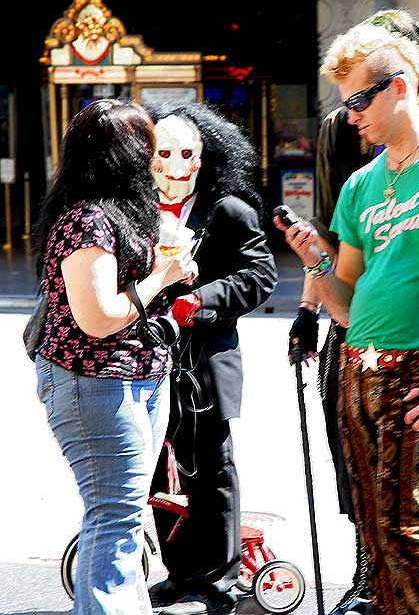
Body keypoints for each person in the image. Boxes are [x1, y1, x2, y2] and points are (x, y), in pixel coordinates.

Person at [275, 20, 419, 614]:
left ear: (400, 87)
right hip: (355, 368)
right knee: (375, 535)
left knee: (408, 531)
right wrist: (317, 265)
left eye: (359, 99)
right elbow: (347, 300)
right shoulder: (360, 184)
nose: (350, 116)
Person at [32, 99, 198, 615]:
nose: (156, 160)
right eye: (148, 147)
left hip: (135, 377)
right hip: (94, 382)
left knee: (117, 517)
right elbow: (98, 318)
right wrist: (162, 279)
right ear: (124, 155)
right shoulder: (87, 220)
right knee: (116, 517)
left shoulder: (118, 211)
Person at [147, 102, 277, 615]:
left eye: (188, 153)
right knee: (159, 473)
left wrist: (201, 300)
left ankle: (218, 578)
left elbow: (259, 276)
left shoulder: (228, 211)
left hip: (203, 361)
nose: (177, 165)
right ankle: (180, 574)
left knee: (212, 468)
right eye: (164, 153)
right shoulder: (134, 209)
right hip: (144, 358)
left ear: (205, 155)